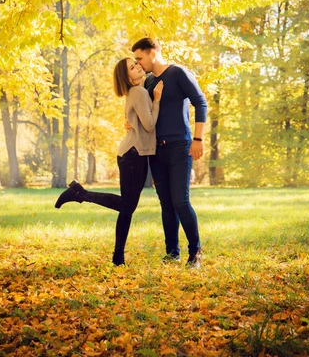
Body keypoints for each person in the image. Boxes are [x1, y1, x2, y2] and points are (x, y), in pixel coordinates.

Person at [54, 58, 163, 266]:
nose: (139, 67)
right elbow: (149, 125)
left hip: (132, 153)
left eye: (137, 63)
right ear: (128, 78)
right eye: (133, 67)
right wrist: (157, 99)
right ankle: (80, 193)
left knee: (127, 207)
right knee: (127, 205)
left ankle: (118, 258)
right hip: (133, 154)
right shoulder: (139, 92)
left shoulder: (137, 91)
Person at [131, 38, 207, 268]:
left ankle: (195, 253)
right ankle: (172, 252)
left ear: (152, 53)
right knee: (166, 203)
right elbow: (146, 115)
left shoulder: (178, 73)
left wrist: (198, 139)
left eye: (139, 58)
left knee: (181, 202)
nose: (138, 64)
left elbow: (200, 102)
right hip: (157, 150)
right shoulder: (149, 82)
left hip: (180, 147)